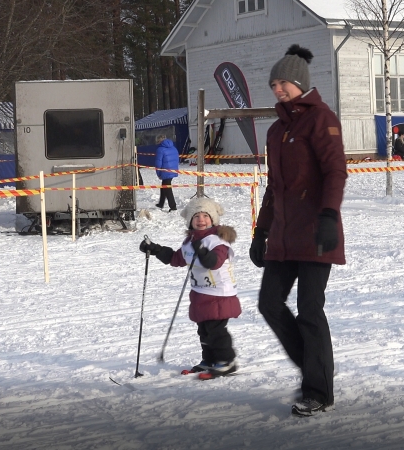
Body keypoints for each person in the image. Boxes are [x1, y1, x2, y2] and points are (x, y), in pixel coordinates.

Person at [249, 44, 347, 417]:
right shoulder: (276, 131)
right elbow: (274, 186)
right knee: (269, 303)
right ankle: (313, 367)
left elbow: (336, 171)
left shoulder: (321, 119)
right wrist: (261, 231)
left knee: (309, 309)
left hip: (316, 231)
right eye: (273, 84)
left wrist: (328, 215)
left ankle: (318, 391)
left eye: (282, 83)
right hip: (284, 236)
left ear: (299, 83)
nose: (277, 90)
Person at [139, 197, 241, 378]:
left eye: (205, 216)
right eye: (196, 216)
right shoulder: (189, 242)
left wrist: (202, 251)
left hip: (219, 294)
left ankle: (226, 361)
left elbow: (215, 262)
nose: (201, 220)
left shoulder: (217, 241)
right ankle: (209, 360)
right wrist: (155, 249)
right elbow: (176, 259)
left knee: (215, 330)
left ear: (213, 219)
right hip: (201, 293)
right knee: (204, 330)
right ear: (190, 221)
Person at [154, 134, 179, 211]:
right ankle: (161, 203)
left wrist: (158, 173)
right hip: (173, 169)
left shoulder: (160, 149)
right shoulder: (173, 147)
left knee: (167, 188)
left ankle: (173, 206)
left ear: (159, 141)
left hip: (165, 170)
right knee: (164, 186)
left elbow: (158, 163)